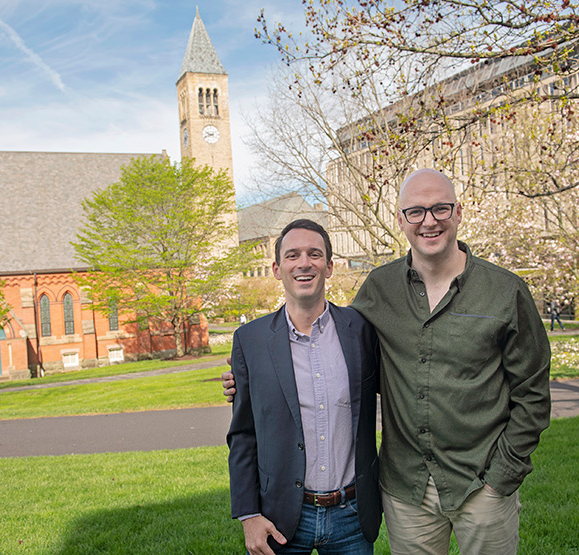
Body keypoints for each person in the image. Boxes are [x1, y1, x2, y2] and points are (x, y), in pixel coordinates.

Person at [225, 170, 551, 555]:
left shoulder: (505, 291)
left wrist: (503, 476)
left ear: (458, 213)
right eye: (416, 212)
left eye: (440, 209)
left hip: (481, 483)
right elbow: (330, 343)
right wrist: (249, 377)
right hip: (406, 489)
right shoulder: (379, 290)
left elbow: (532, 394)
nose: (429, 221)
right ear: (401, 220)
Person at [227, 219, 382, 555]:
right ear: (276, 268)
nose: (304, 263)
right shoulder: (250, 341)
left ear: (329, 267)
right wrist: (248, 513)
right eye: (293, 255)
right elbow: (243, 434)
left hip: (352, 516)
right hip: (279, 518)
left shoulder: (361, 330)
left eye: (315, 254)